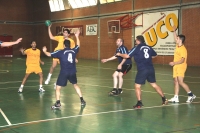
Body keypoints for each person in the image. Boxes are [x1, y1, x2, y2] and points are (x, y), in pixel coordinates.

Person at [116, 35, 168, 109]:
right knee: (154, 84)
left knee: (137, 86)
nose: (135, 42)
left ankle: (139, 103)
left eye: (135, 40)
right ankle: (164, 98)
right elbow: (155, 55)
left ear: (138, 41)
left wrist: (119, 54)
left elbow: (127, 56)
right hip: (151, 69)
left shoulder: (137, 47)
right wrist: (148, 57)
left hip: (142, 69)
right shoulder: (149, 47)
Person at [43, 30, 86, 109]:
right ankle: (82, 100)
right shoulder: (73, 51)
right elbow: (78, 45)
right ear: (70, 45)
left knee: (58, 87)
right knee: (75, 85)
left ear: (64, 45)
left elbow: (49, 54)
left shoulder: (60, 52)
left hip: (64, 72)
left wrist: (44, 51)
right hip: (73, 72)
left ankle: (58, 103)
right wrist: (77, 36)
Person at [168, 27, 196, 103]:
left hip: (181, 66)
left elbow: (182, 60)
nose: (175, 39)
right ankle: (176, 97)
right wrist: (174, 31)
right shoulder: (178, 45)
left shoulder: (183, 49)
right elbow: (175, 37)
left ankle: (191, 95)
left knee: (180, 81)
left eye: (177, 38)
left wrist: (174, 63)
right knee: (175, 81)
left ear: (180, 40)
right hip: (176, 66)